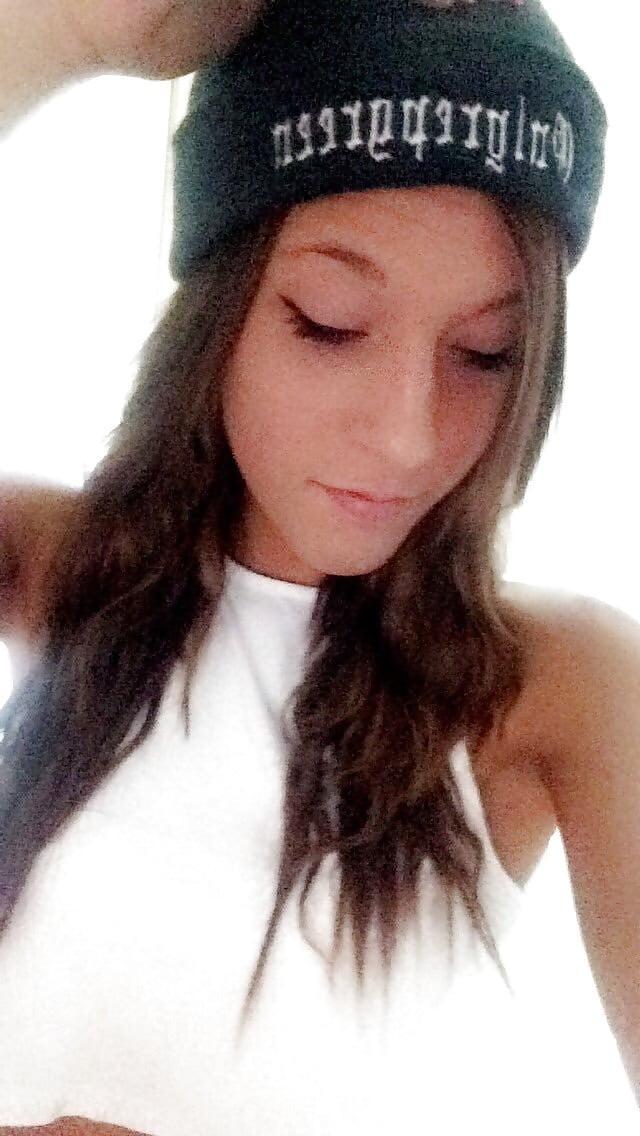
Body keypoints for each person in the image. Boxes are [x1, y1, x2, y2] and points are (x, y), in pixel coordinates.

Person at [0, 0, 638, 1133]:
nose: (406, 435)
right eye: (329, 324)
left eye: (484, 353)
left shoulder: (555, 685)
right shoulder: (56, 564)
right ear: (222, 311)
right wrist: (61, 35)